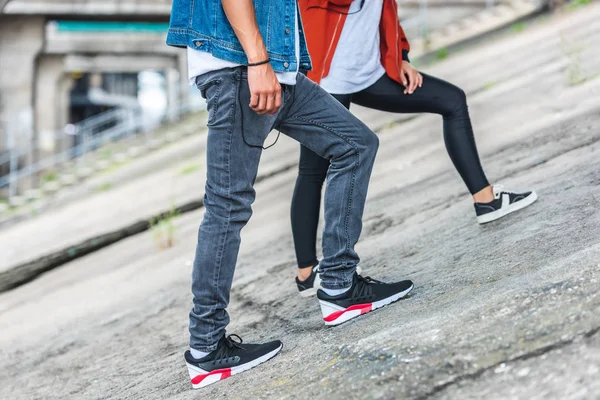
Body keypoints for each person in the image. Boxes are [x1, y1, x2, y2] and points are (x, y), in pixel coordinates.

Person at [167, 0, 414, 389]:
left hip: (278, 70)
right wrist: (257, 62)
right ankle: (206, 348)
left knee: (356, 145)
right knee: (227, 205)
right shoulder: (249, 66)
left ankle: (338, 284)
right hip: (242, 70)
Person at [291, 0, 538, 296]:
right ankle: (307, 272)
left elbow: (387, 11)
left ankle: (486, 201)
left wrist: (402, 56)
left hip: (370, 73)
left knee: (452, 100)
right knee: (312, 171)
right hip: (326, 81)